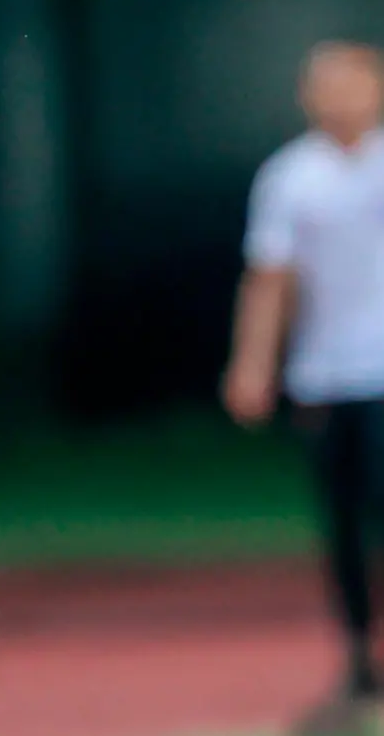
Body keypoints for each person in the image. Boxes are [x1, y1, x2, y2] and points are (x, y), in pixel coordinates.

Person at [224, 41, 384, 734]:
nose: (338, 96)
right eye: (324, 84)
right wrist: (253, 366)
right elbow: (270, 280)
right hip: (325, 377)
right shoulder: (290, 177)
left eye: (352, 82)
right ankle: (359, 655)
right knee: (344, 526)